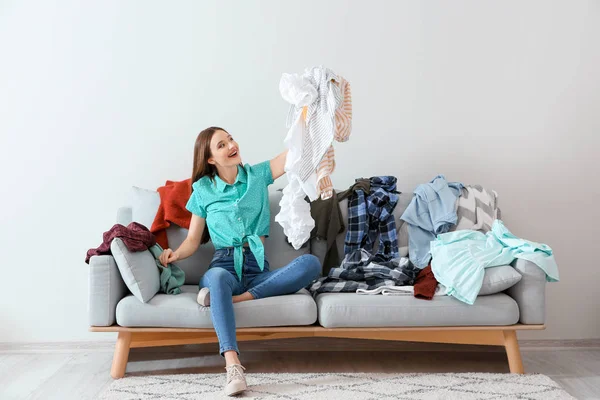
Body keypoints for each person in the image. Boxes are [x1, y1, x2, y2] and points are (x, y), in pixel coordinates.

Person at [159, 126, 321, 396]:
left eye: (230, 139)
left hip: (257, 269)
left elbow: (293, 155)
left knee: (311, 264)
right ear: (210, 159)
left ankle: (233, 299)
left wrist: (312, 120)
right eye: (221, 145)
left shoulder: (257, 175)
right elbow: (193, 240)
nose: (231, 145)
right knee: (219, 279)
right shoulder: (202, 190)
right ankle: (233, 365)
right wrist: (175, 254)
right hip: (222, 266)